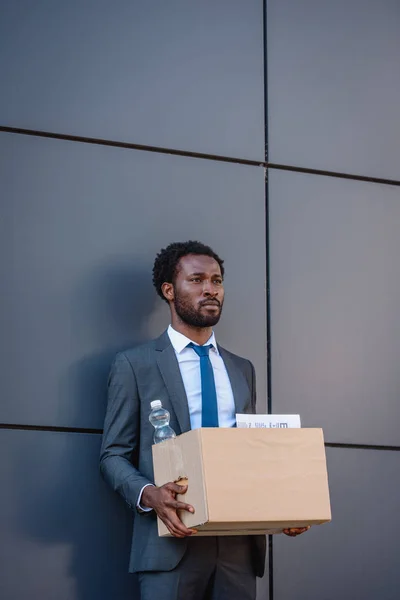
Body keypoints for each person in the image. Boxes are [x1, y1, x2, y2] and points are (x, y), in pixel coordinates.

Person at [100, 241, 308, 600]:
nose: (210, 289)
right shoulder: (135, 365)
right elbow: (113, 455)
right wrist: (149, 495)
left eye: (216, 280)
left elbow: (251, 451)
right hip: (170, 543)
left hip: (238, 550)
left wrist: (283, 505)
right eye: (196, 280)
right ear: (169, 290)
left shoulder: (242, 369)